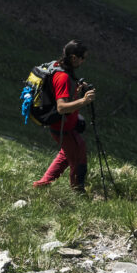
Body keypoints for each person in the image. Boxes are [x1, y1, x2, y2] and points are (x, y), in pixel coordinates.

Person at [33, 39, 96, 192]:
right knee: (78, 157)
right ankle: (77, 192)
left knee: (66, 155)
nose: (83, 61)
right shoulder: (63, 77)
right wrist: (84, 100)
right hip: (63, 127)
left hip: (64, 125)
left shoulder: (57, 66)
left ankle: (42, 185)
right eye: (83, 58)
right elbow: (61, 107)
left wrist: (77, 92)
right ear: (74, 57)